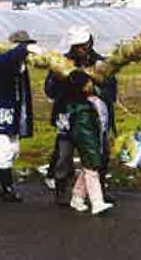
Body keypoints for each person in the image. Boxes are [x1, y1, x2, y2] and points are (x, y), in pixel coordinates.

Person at [44, 26, 117, 206]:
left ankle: (98, 189)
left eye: (85, 45)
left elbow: (111, 92)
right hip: (69, 116)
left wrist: (95, 89)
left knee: (99, 154)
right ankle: (61, 190)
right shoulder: (61, 64)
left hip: (97, 117)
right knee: (64, 154)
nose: (82, 49)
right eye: (78, 46)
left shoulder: (101, 63)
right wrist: (68, 82)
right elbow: (50, 90)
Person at [0, 30, 42, 202]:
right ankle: (6, 189)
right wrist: (24, 49)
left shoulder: (19, 64)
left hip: (10, 114)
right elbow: (8, 58)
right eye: (23, 44)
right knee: (4, 152)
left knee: (14, 151)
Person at [62, 71, 113, 215]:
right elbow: (85, 134)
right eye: (88, 82)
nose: (92, 83)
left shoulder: (87, 102)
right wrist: (93, 151)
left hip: (95, 141)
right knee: (92, 171)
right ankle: (97, 202)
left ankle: (77, 198)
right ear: (82, 87)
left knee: (87, 171)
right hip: (89, 145)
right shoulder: (83, 110)